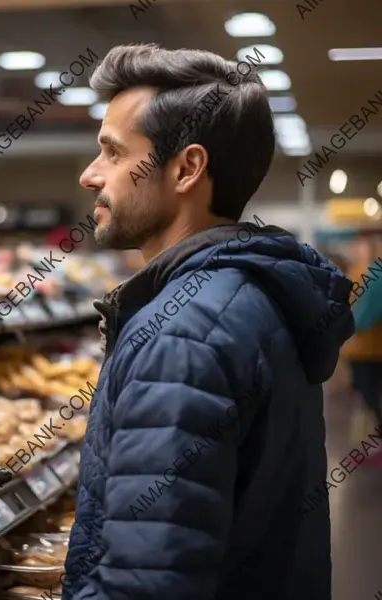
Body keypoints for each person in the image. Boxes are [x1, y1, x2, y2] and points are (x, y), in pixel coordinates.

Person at [62, 44, 354, 600]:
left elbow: (148, 583)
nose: (89, 175)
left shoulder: (182, 334)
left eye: (113, 153)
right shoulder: (253, 296)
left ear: (187, 168)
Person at [343, 236, 382, 434]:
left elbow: (364, 314)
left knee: (370, 394)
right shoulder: (360, 273)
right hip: (362, 349)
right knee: (368, 395)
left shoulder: (374, 275)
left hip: (368, 349)